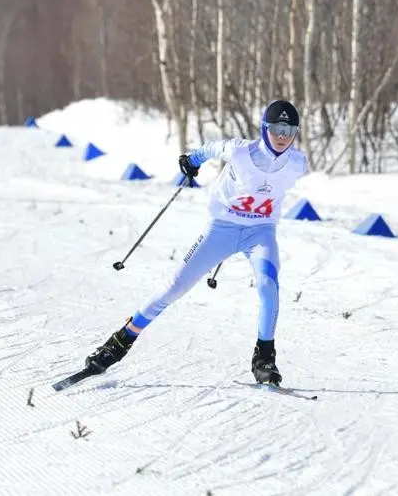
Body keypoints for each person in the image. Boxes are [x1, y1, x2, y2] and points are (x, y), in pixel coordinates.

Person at [83, 100, 309, 386]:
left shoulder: (297, 163)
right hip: (222, 229)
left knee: (268, 285)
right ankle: (119, 342)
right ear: (265, 128)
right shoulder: (240, 152)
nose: (282, 136)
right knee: (174, 287)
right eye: (276, 128)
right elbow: (213, 148)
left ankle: (264, 358)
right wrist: (192, 160)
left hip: (260, 232)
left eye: (289, 130)